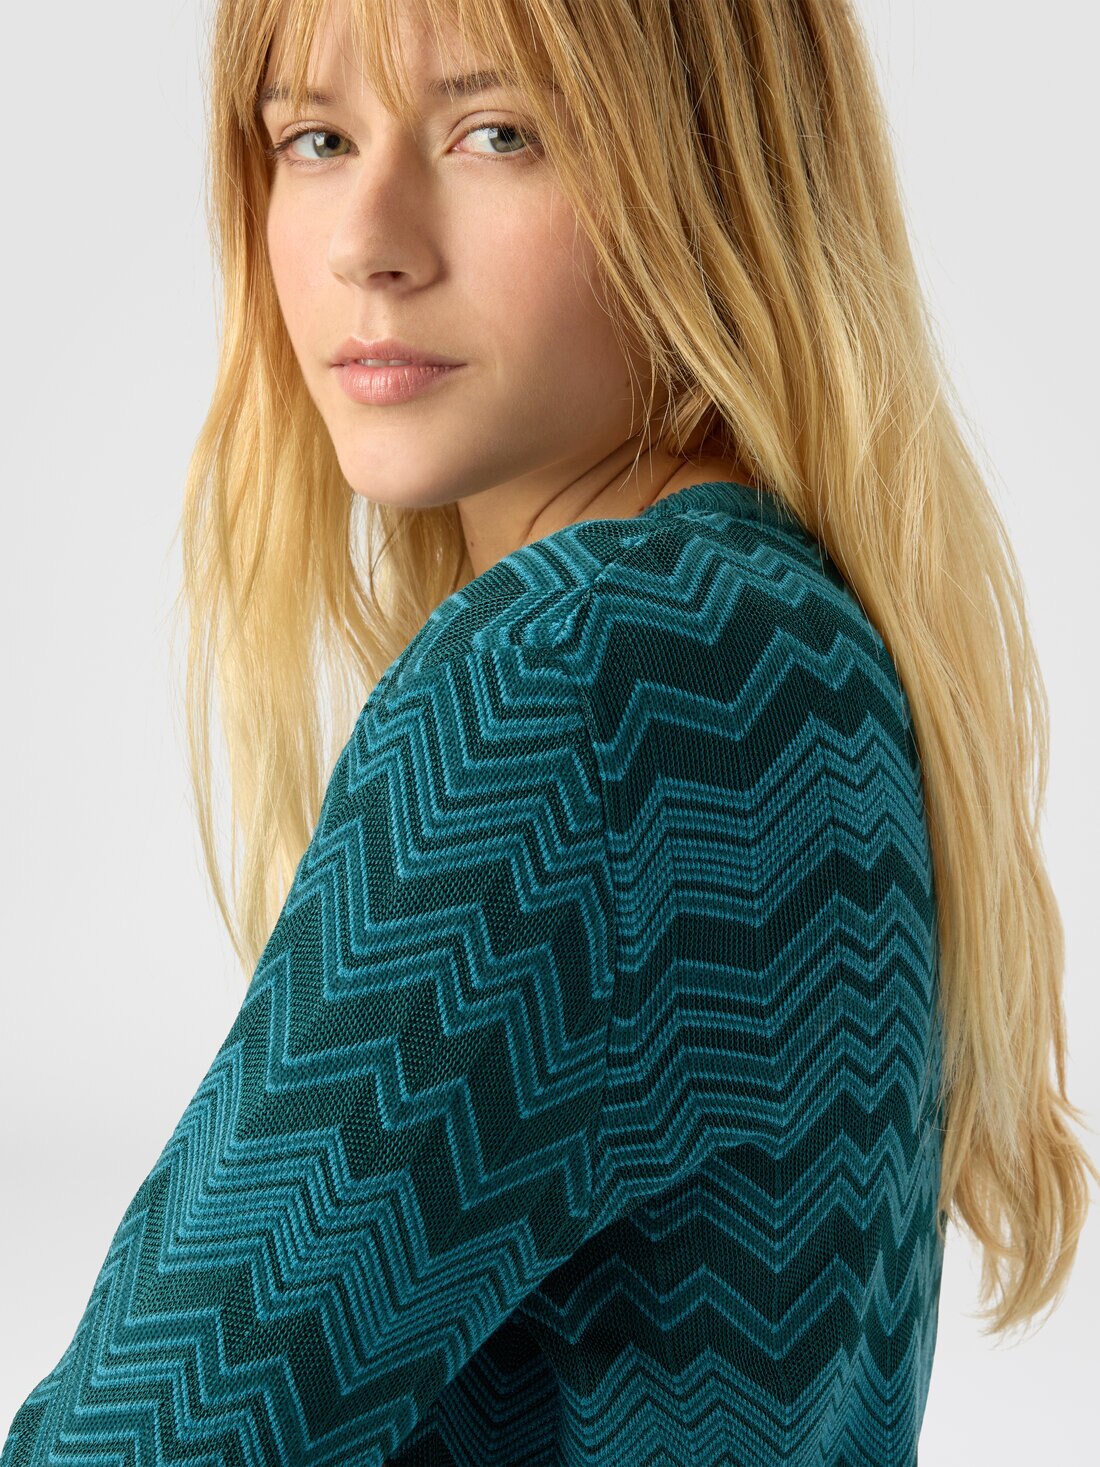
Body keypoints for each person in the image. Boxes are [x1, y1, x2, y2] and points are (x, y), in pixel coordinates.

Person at [3, 0, 1096, 1463]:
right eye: (314, 139)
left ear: (710, 175)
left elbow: (145, 1441)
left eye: (498, 132)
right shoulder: (788, 636)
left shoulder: (580, 674)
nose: (368, 242)